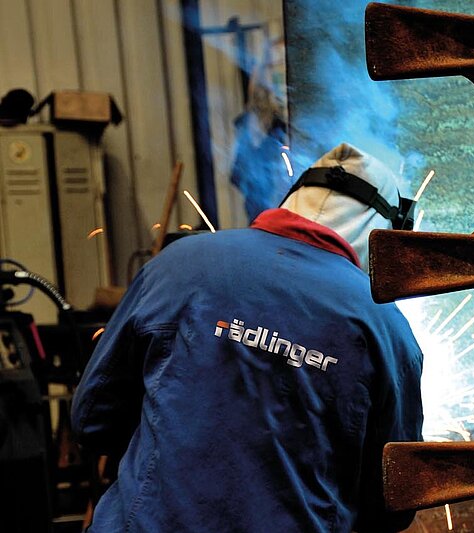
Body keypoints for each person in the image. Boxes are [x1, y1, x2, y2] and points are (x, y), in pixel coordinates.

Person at [71, 143, 424, 532]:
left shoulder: (178, 264)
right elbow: (393, 502)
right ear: (386, 235)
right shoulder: (386, 327)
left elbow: (91, 420)